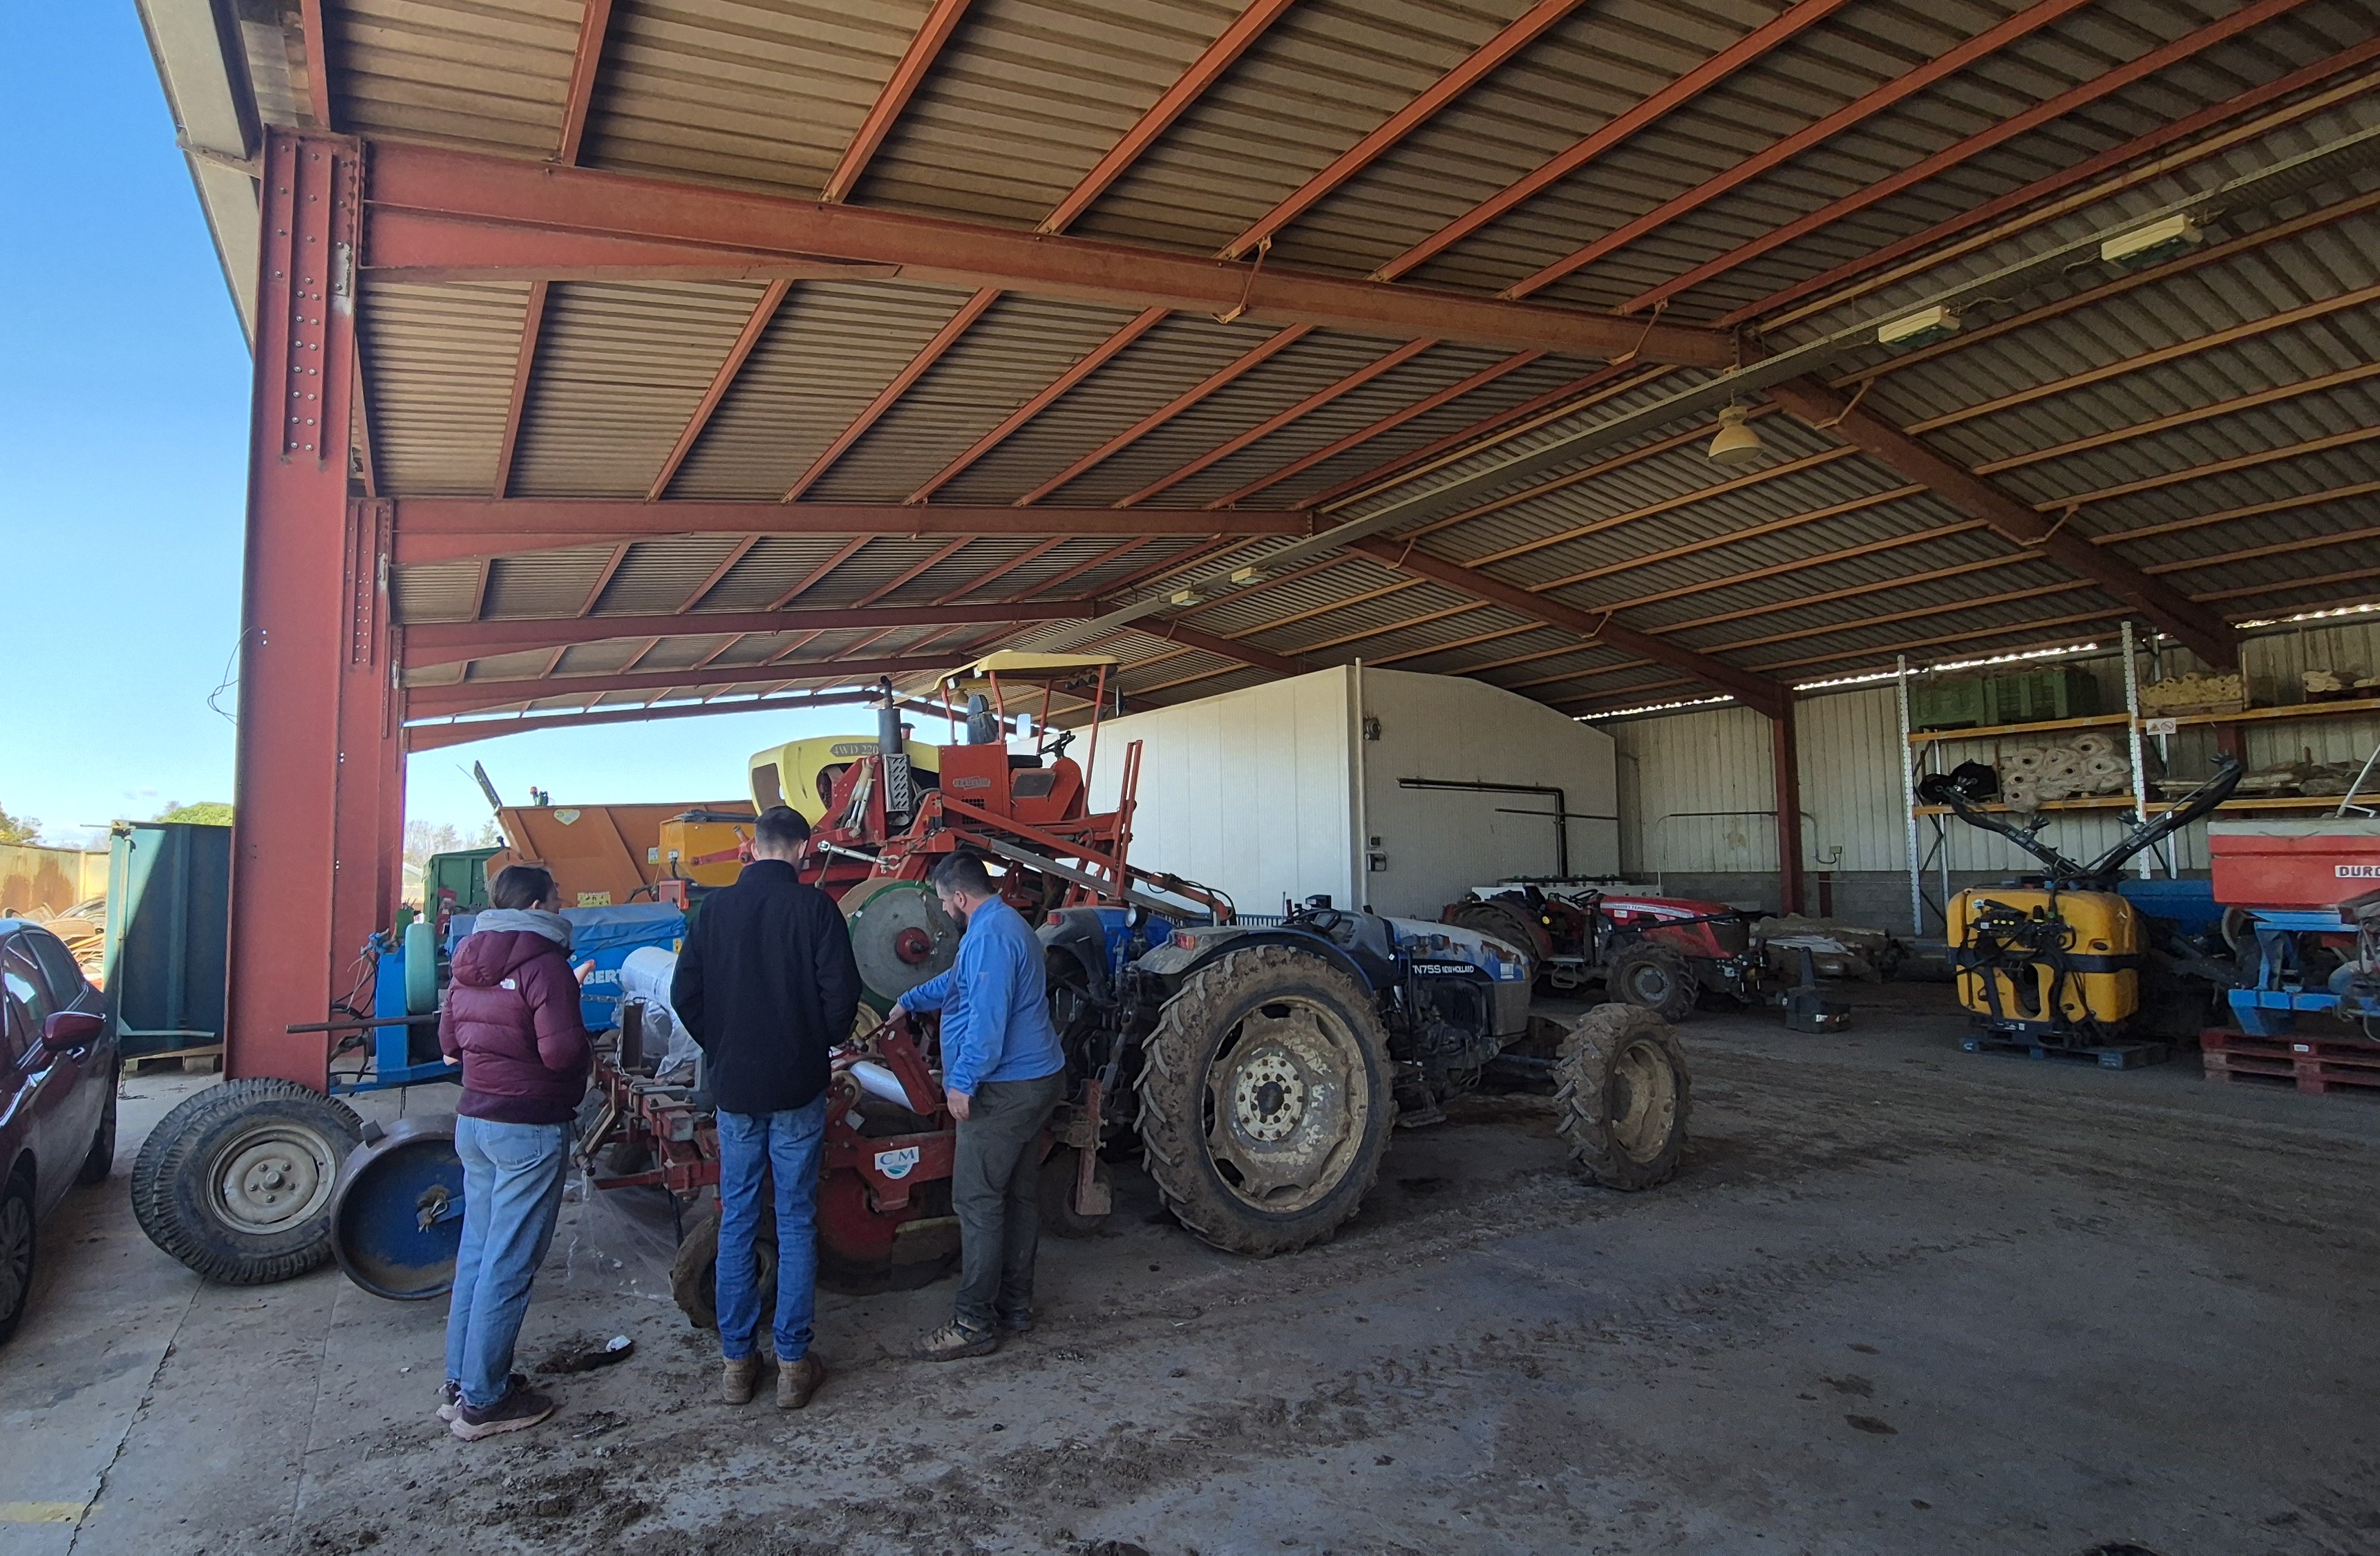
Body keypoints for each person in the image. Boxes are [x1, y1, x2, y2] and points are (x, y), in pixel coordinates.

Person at [672, 805, 861, 1410]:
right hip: (797, 1087)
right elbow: (842, 998)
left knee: (739, 1217)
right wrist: (814, 1041)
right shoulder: (816, 909)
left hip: (736, 1090)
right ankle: (793, 1365)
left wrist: (724, 1046)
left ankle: (737, 1365)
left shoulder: (715, 910)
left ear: (752, 848)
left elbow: (684, 993)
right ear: (802, 850)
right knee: (797, 1219)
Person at [885, 851, 1066, 1360]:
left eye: (945, 903)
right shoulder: (1001, 923)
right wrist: (910, 999)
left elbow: (988, 1021)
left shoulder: (989, 937)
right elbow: (959, 983)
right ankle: (1015, 1307)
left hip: (1007, 1088)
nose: (944, 911)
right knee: (1018, 1195)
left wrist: (962, 1083)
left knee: (977, 1200)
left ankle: (972, 1324)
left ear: (961, 897)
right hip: (1037, 1078)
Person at [436, 864, 593, 1441]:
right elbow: (561, 1054)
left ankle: (461, 1384)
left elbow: (449, 1043)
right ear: (534, 906)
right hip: (527, 1127)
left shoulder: (467, 958)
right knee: (510, 1262)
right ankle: (485, 1401)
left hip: (474, 1122)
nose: (562, 906)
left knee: (478, 1255)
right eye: (556, 898)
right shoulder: (545, 964)